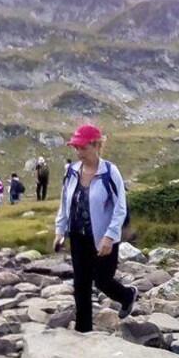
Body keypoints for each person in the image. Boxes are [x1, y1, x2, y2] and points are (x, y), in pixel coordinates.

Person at [54, 124, 138, 333]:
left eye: (82, 147)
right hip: (78, 235)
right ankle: (84, 332)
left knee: (102, 280)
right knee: (81, 285)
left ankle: (127, 295)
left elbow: (120, 208)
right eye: (76, 148)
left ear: (95, 145)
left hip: (102, 236)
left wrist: (109, 237)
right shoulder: (71, 171)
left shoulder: (110, 171)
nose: (78, 152)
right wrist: (60, 231)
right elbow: (65, 203)